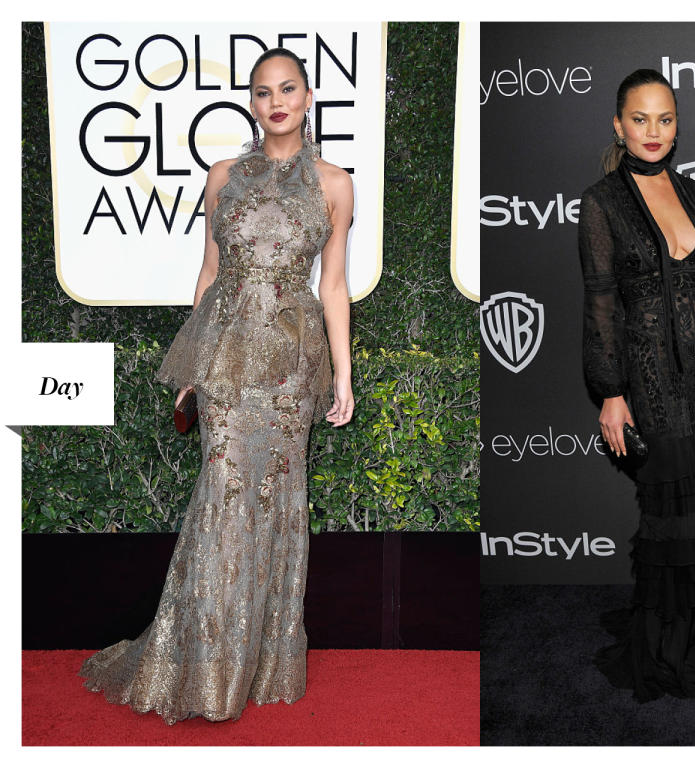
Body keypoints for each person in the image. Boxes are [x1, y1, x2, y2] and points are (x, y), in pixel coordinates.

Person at [79, 47, 355, 724]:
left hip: (293, 363)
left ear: (309, 95)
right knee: (224, 494)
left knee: (278, 502)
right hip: (229, 356)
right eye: (263, 92)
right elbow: (207, 276)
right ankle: (203, 664)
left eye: (287, 88)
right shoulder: (222, 175)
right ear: (252, 103)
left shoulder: (336, 182)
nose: (275, 101)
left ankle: (261, 658)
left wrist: (344, 376)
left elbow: (336, 285)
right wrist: (194, 370)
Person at [578, 69, 695, 703]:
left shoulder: (694, 191)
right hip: (651, 391)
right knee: (670, 524)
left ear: (680, 126)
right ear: (618, 126)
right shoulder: (602, 202)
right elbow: (600, 302)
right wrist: (612, 392)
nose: (654, 132)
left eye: (667, 119)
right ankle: (659, 652)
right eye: (641, 119)